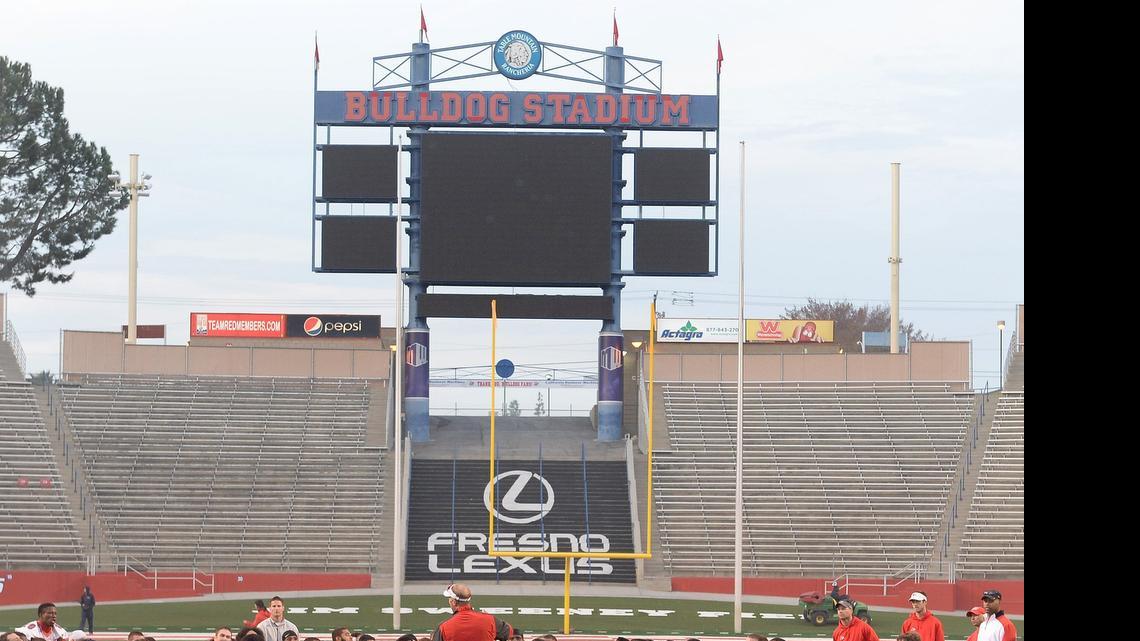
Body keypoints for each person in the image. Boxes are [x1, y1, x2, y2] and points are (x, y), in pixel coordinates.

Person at [430, 583, 515, 641]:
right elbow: (510, 633)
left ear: (454, 602)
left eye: (449, 599)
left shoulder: (443, 627)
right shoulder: (490, 620)